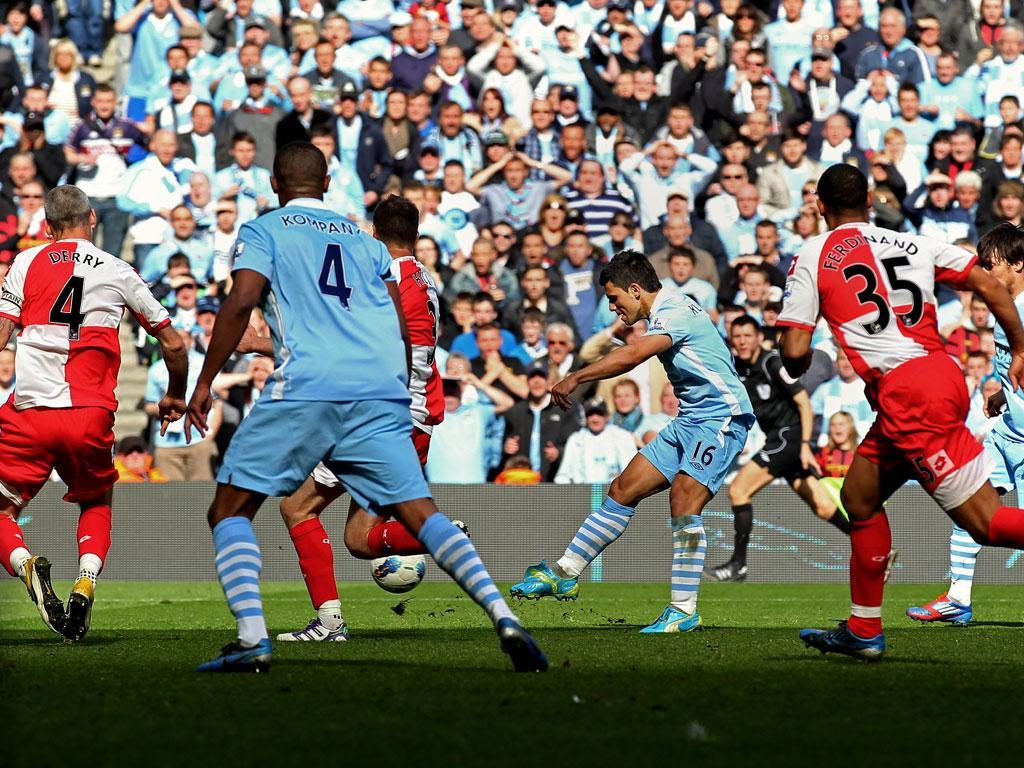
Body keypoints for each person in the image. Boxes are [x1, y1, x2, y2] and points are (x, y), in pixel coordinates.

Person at [182, 142, 545, 673]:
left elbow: (239, 303)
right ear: (328, 184)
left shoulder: (264, 229)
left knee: (230, 509)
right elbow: (398, 328)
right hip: (380, 392)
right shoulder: (367, 243)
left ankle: (253, 638)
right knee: (420, 514)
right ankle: (505, 616)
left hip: (308, 384)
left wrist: (203, 382)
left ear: (277, 187)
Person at [778, 164, 1024, 662]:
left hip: (908, 395)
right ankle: (863, 627)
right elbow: (994, 288)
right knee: (858, 496)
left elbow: (795, 349)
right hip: (937, 375)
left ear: (819, 206)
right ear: (870, 200)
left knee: (986, 522)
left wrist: (797, 348)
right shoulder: (915, 243)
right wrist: (1019, 348)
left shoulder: (812, 254)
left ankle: (865, 630)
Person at [234, 194, 448, 641]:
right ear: (415, 236)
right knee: (358, 537)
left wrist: (258, 345)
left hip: (377, 415)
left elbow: (338, 344)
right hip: (418, 417)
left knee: (296, 506)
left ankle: (331, 622)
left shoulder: (382, 278)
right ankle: (431, 533)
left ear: (373, 234)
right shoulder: (426, 282)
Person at [510, 250, 756, 633]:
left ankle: (684, 610)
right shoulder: (667, 311)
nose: (613, 308)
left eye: (615, 298)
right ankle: (565, 572)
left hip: (722, 417)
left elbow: (634, 354)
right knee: (623, 488)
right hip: (691, 419)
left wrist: (576, 376)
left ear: (636, 289)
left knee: (684, 498)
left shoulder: (673, 310)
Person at [0, 185, 187, 642]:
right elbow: (174, 344)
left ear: (47, 227)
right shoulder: (119, 269)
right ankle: (85, 581)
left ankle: (25, 564)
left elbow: (3, 330)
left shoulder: (25, 262)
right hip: (90, 413)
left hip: (30, 410)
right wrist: (175, 395)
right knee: (96, 500)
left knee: (2, 508)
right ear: (92, 220)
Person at [907, 224, 1024, 626]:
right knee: (968, 507)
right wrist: (1001, 395)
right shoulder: (1004, 307)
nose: (986, 276)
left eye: (992, 267)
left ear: (1019, 265)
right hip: (1007, 432)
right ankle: (958, 598)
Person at [705, 315, 851, 583]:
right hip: (780, 441)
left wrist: (805, 445)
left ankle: (738, 565)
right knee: (822, 506)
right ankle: (871, 550)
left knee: (738, 490)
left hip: (789, 438)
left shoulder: (772, 362)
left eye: (748, 336)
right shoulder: (738, 368)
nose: (743, 342)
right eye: (737, 337)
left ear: (759, 337)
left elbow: (804, 403)